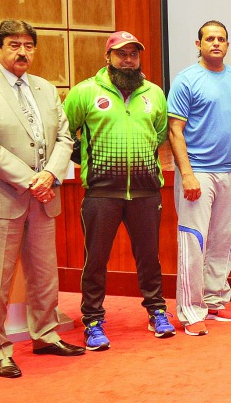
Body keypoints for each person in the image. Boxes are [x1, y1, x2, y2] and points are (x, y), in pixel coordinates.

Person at [0, 20, 83, 378]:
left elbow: (64, 136)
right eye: (14, 44)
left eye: (28, 45)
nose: (22, 52)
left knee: (44, 274)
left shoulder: (45, 88)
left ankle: (45, 335)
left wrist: (50, 175)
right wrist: (32, 180)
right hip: (1, 195)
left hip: (43, 195)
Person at [64, 31, 175, 350]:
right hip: (101, 193)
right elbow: (65, 131)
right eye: (121, 54)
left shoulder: (154, 93)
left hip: (146, 192)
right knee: (95, 260)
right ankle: (94, 321)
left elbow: (159, 135)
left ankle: (157, 312)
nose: (128, 60)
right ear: (107, 57)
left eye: (133, 55)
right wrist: (88, 160)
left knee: (149, 258)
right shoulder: (84, 92)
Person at [168, 20, 231, 335]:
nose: (216, 43)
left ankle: (214, 300)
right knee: (194, 241)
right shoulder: (186, 80)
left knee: (225, 239)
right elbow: (174, 130)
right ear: (199, 44)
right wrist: (187, 174)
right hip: (198, 173)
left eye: (221, 39)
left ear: (227, 45)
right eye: (210, 38)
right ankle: (191, 312)